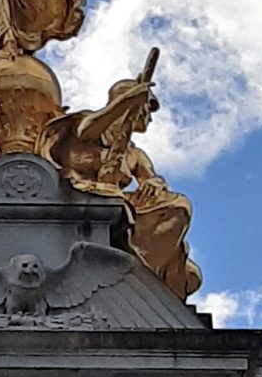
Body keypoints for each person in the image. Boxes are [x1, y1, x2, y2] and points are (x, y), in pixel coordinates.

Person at [39, 77, 201, 300]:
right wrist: (126, 102)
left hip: (117, 204)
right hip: (75, 197)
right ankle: (133, 273)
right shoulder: (89, 123)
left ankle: (138, 271)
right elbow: (86, 132)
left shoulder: (134, 154)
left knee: (178, 206)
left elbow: (150, 178)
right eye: (147, 108)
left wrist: (154, 184)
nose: (150, 118)